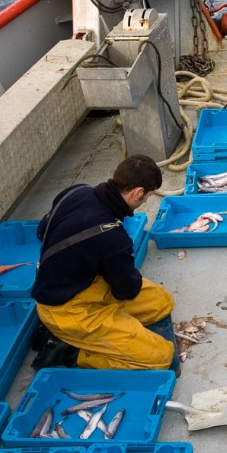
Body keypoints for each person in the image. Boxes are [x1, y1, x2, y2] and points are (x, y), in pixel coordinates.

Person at [30, 154, 176, 369]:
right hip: (67, 311)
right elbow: (126, 289)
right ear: (137, 193)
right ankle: (68, 353)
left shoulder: (77, 191)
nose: (145, 202)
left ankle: (105, 331)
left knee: (162, 302)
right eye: (147, 196)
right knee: (161, 356)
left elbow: (42, 231)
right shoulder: (113, 239)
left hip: (82, 285)